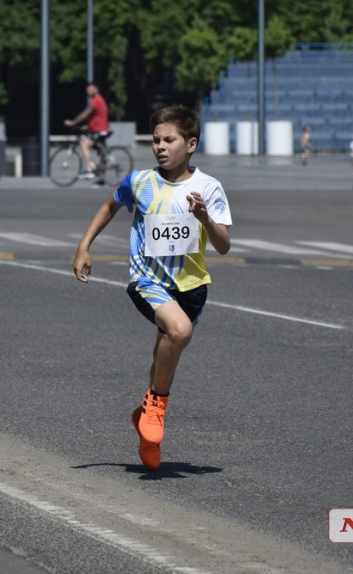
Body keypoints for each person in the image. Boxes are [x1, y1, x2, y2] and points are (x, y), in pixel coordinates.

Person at [72, 105, 232, 472]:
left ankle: (146, 427)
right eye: (156, 140)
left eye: (169, 140)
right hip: (148, 282)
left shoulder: (207, 187)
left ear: (191, 144)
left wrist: (204, 217)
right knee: (179, 331)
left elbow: (223, 245)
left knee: (165, 355)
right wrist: (84, 246)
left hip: (192, 288)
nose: (161, 146)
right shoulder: (140, 182)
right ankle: (157, 404)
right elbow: (109, 205)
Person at [64, 83, 109, 179]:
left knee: (84, 145)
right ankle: (101, 177)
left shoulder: (96, 100)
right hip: (98, 129)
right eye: (87, 89)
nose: (89, 91)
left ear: (96, 89)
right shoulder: (98, 100)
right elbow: (97, 116)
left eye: (91, 89)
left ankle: (89, 170)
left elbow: (86, 113)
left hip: (99, 130)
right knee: (100, 152)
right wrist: (88, 126)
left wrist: (73, 122)